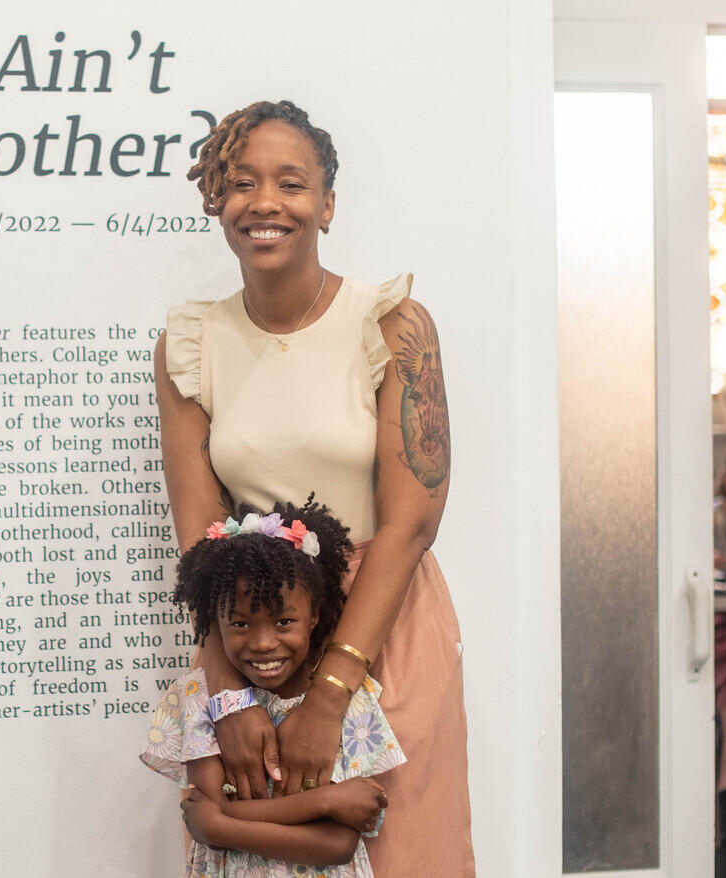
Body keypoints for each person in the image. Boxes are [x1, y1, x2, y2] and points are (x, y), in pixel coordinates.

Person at [154, 99, 474, 874]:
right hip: (254, 637)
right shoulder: (189, 344)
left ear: (327, 204)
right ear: (216, 200)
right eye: (242, 182)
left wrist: (331, 694)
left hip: (383, 625)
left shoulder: (393, 324)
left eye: (291, 183)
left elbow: (411, 525)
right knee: (258, 853)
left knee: (402, 852)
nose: (264, 202)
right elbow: (201, 538)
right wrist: (228, 694)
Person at [141, 498, 402, 877]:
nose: (263, 643)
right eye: (241, 624)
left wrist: (224, 826)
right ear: (214, 620)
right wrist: (326, 801)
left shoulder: (348, 700)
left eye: (283, 622)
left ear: (314, 616)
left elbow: (337, 844)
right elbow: (207, 814)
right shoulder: (200, 697)